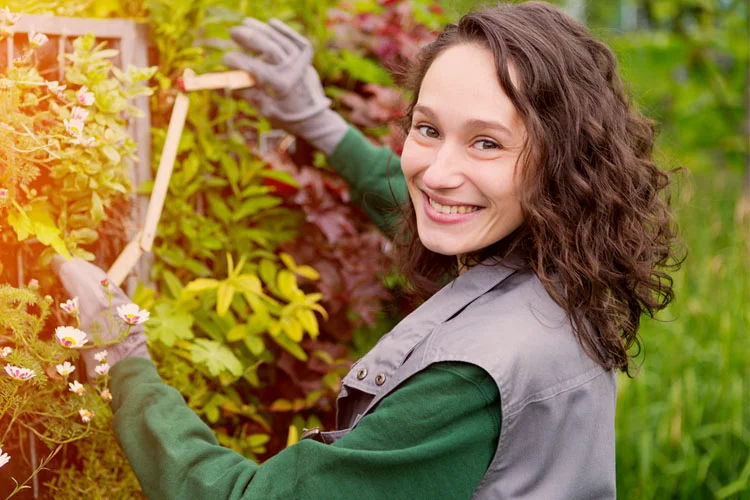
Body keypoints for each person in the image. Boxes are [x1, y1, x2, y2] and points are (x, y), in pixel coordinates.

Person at [52, 2, 681, 498]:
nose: (435, 173)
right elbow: (434, 207)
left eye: (486, 143)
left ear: (561, 164)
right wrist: (317, 120)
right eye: (427, 129)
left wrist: (122, 357)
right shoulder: (563, 270)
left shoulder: (464, 386)